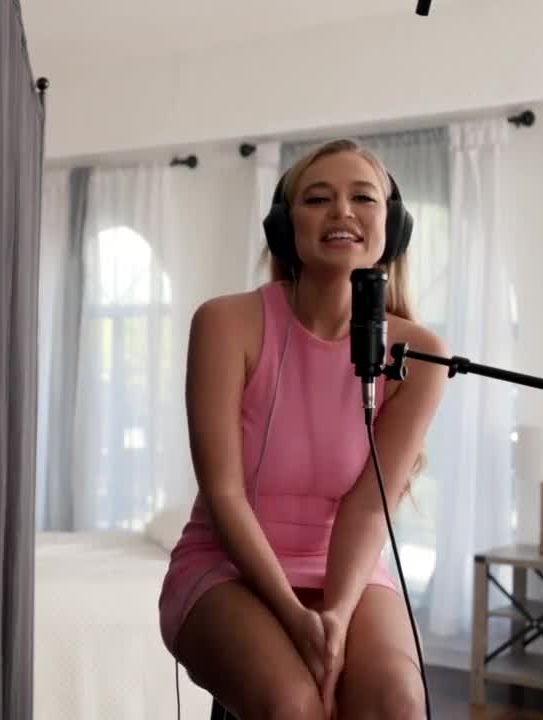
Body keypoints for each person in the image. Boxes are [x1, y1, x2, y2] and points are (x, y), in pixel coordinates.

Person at [158, 138, 450, 719]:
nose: (342, 211)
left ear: (391, 226)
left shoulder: (419, 354)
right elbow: (224, 495)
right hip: (225, 564)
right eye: (318, 199)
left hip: (346, 569)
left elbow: (368, 507)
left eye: (362, 197)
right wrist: (295, 619)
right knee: (294, 705)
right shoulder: (226, 323)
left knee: (396, 701)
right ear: (283, 227)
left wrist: (336, 615)